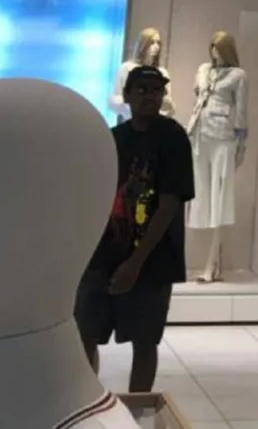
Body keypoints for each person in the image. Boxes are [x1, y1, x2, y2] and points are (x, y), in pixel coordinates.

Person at [76, 65, 195, 392]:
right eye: (141, 90)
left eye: (156, 90)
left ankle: (139, 408)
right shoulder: (114, 139)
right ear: (127, 95)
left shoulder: (173, 138)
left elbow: (170, 203)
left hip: (153, 259)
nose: (149, 97)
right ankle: (89, 404)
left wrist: (136, 262)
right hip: (105, 253)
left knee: (144, 341)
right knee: (86, 332)